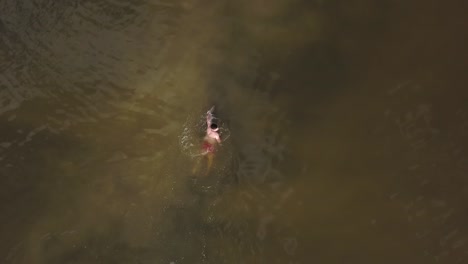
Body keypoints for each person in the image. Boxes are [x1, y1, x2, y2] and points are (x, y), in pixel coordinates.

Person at [192, 106, 221, 175]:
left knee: (199, 158)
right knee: (210, 161)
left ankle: (194, 170)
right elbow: (219, 142)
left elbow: (208, 118)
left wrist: (209, 112)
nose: (217, 129)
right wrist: (220, 144)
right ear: (215, 129)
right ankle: (207, 172)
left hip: (205, 143)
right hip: (211, 146)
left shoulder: (208, 127)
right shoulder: (216, 135)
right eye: (217, 128)